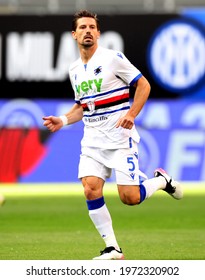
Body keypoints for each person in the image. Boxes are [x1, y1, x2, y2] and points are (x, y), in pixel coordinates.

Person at [43, 10, 183, 260]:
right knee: (90, 189)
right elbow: (82, 107)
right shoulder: (74, 69)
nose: (87, 31)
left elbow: (143, 85)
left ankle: (162, 181)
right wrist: (63, 120)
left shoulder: (112, 58)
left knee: (129, 198)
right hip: (93, 142)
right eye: (82, 27)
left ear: (98, 33)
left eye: (92, 27)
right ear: (74, 35)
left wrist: (131, 114)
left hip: (120, 139)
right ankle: (113, 248)